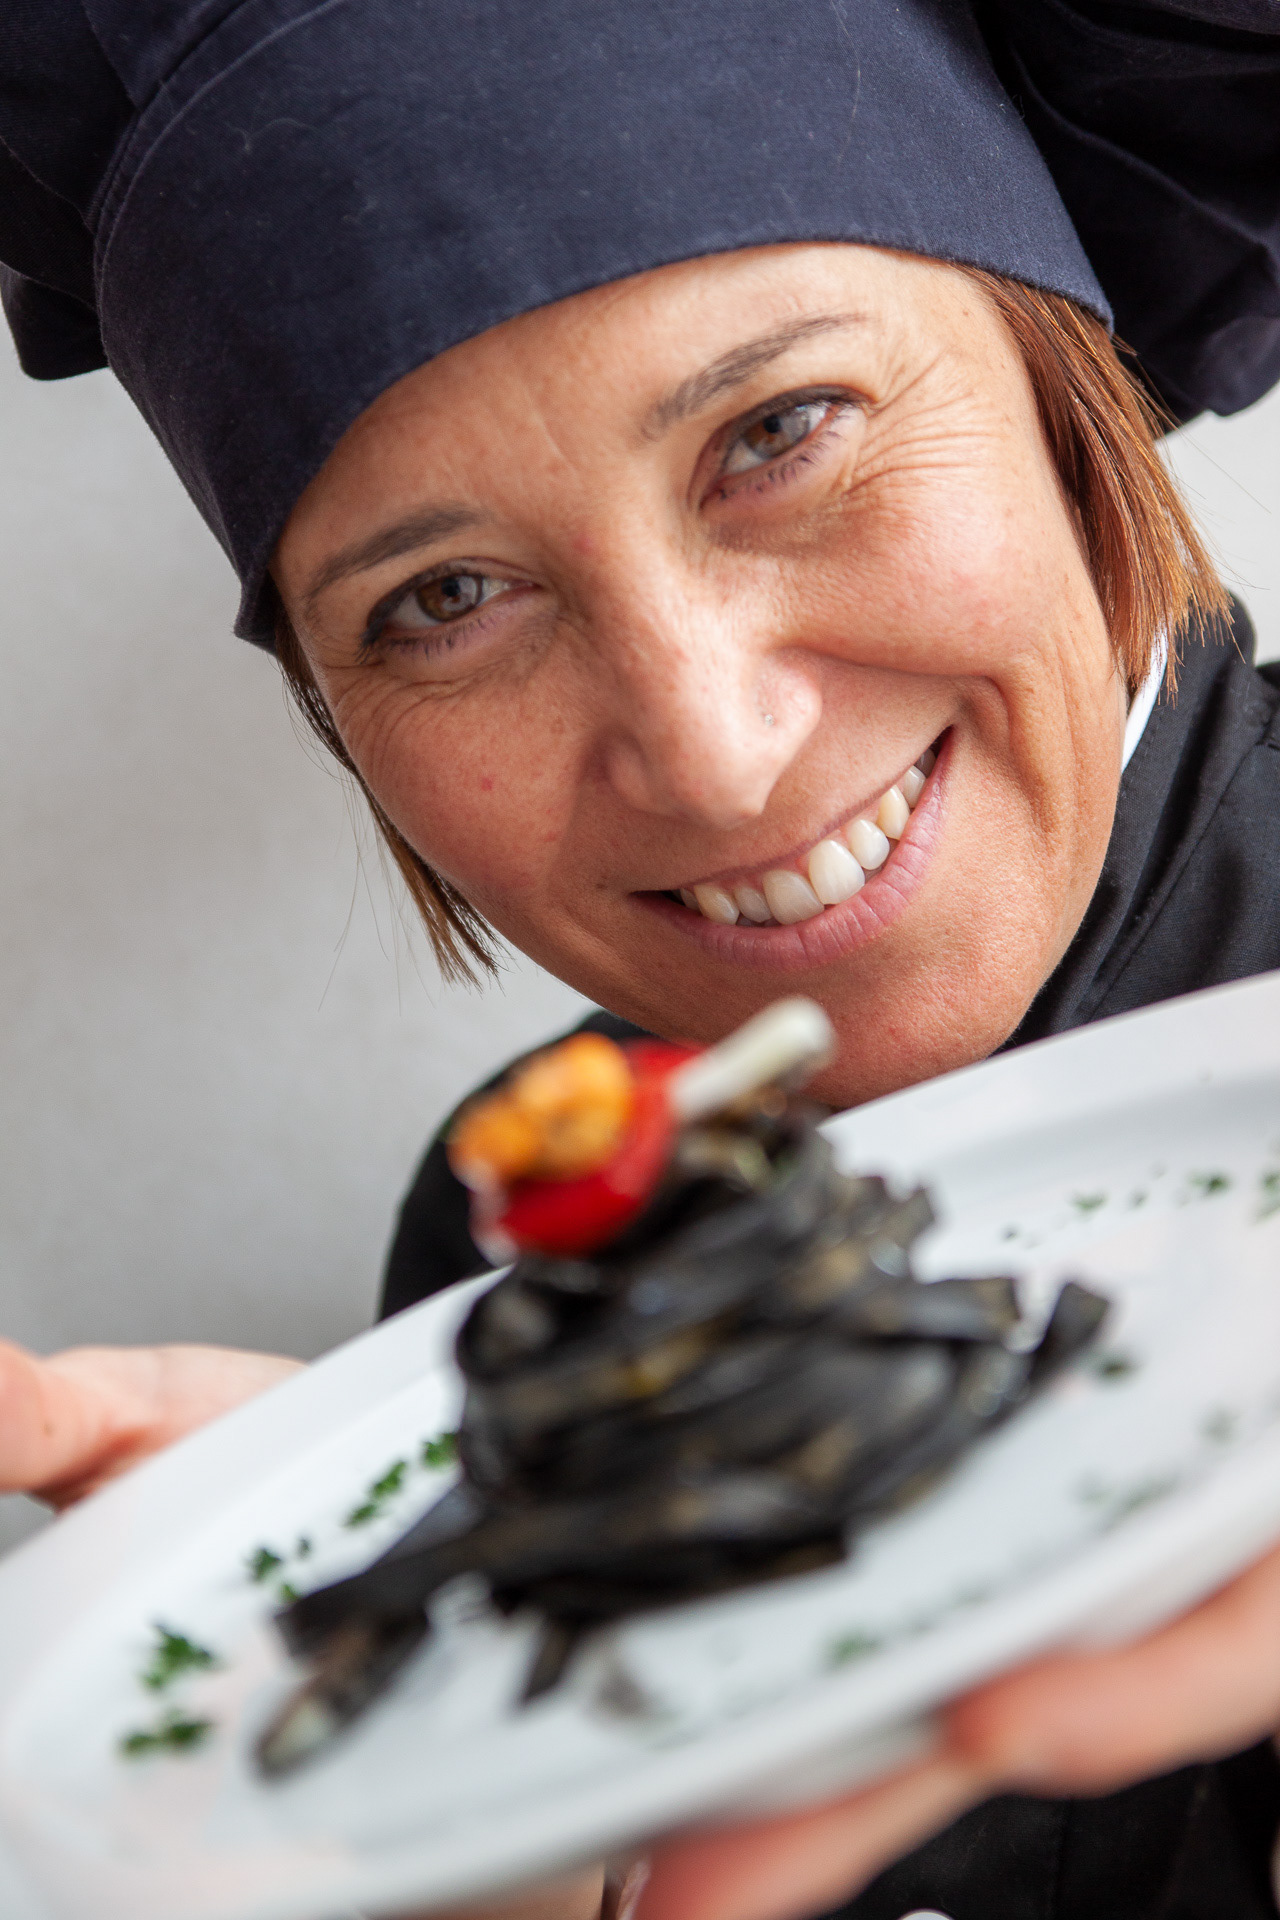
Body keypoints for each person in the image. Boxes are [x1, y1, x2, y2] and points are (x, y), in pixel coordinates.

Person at [3, 2, 1280, 1916]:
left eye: (781, 429)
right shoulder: (531, 1280)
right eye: (446, 596)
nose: (712, 752)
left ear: (1058, 372)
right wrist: (478, 1826)